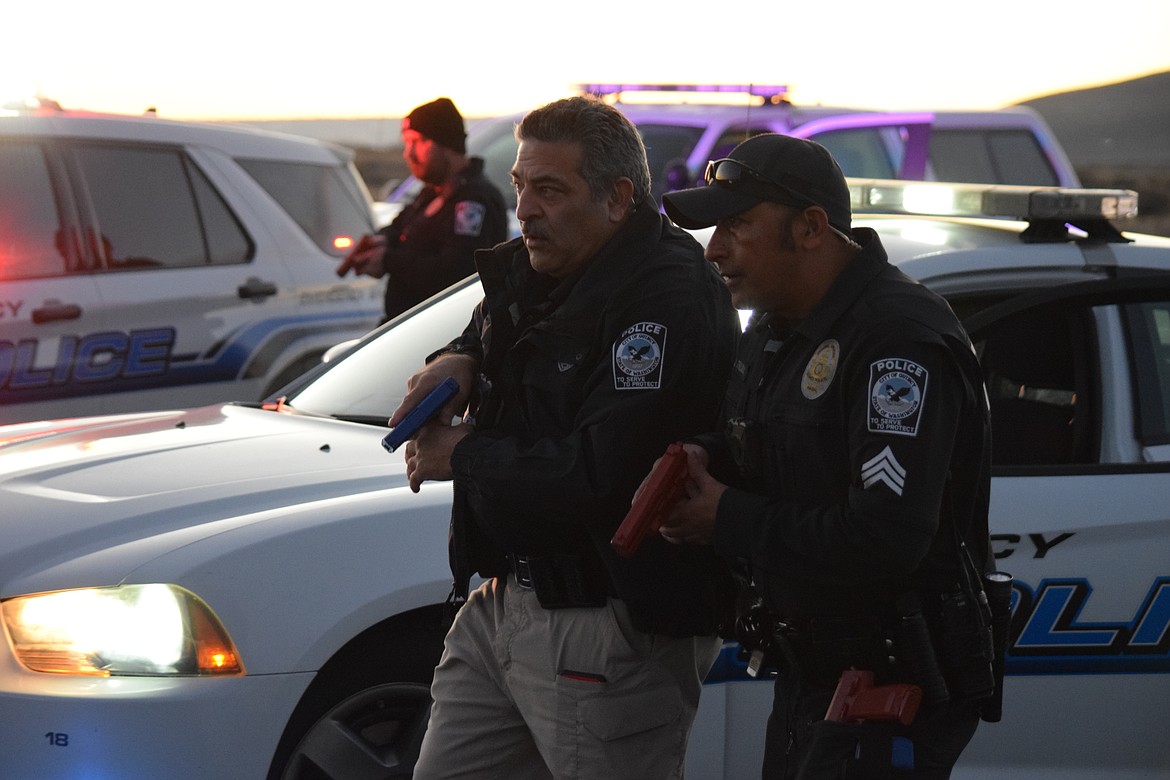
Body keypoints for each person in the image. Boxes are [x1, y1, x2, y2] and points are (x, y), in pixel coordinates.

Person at [392, 95, 741, 779]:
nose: (524, 209)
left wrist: (461, 453)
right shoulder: (549, 260)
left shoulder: (664, 296)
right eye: (521, 184)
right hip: (501, 606)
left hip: (603, 622)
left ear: (617, 198)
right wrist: (461, 354)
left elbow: (602, 473)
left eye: (549, 190)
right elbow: (506, 323)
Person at [656, 134, 1001, 778]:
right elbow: (762, 448)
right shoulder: (776, 325)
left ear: (811, 228)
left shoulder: (898, 339)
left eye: (736, 225)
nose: (715, 249)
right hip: (814, 675)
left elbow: (883, 536)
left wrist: (725, 517)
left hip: (890, 687)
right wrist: (702, 461)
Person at [338, 97, 508, 323]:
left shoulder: (475, 201)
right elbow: (399, 226)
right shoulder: (432, 193)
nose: (408, 153)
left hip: (442, 338)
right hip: (405, 329)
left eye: (416, 142)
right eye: (407, 143)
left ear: (445, 143)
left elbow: (455, 272)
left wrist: (389, 260)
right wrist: (382, 242)